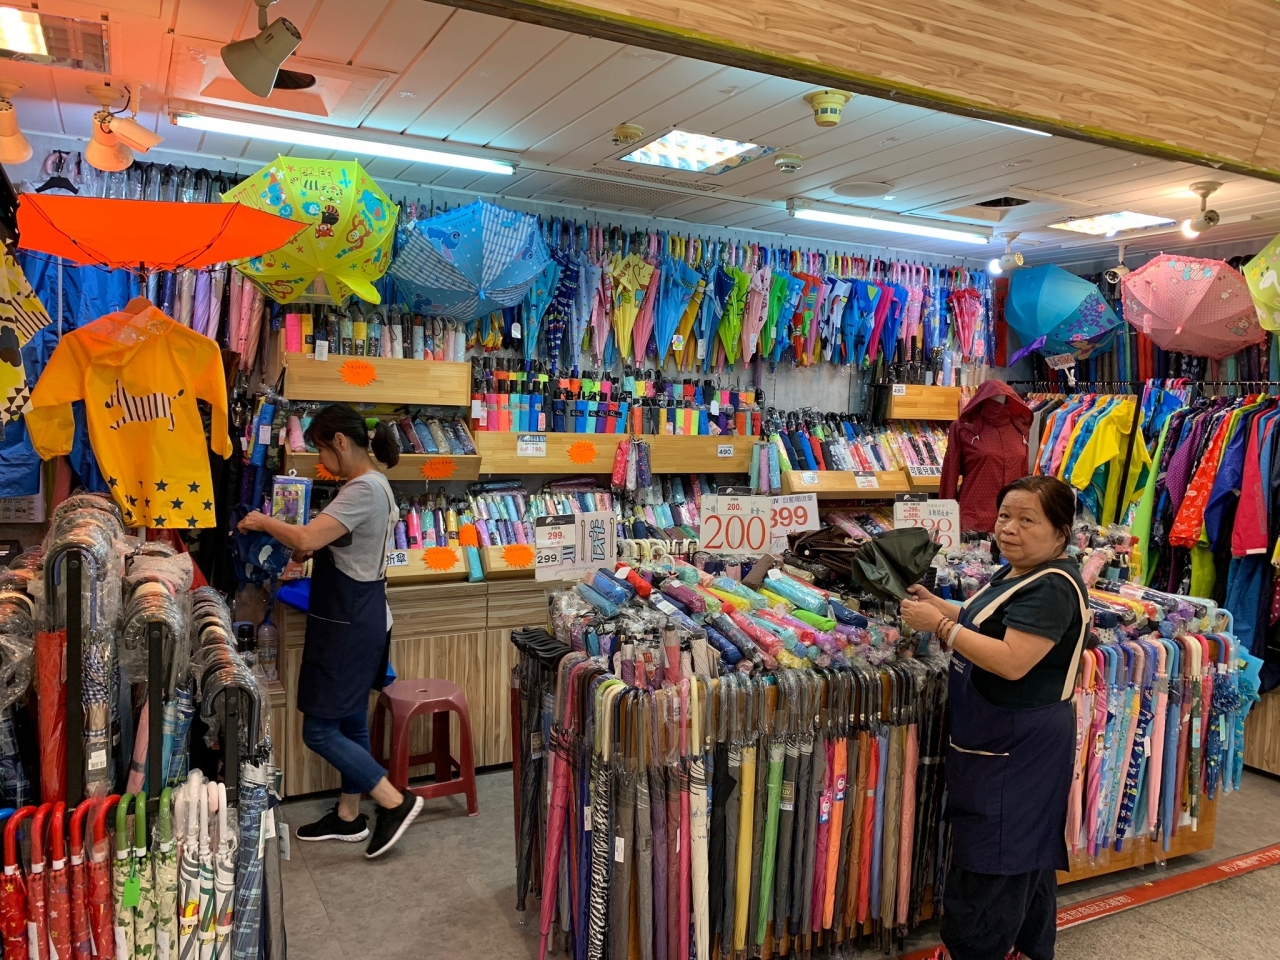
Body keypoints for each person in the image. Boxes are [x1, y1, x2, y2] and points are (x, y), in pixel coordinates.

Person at [899, 476, 1088, 960]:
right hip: (998, 737)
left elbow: (1011, 660)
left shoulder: (1052, 587)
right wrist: (938, 605)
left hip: (1019, 744)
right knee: (1023, 856)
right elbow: (982, 620)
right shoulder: (1019, 572)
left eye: (1027, 520)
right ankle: (1027, 948)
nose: (1009, 528)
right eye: (1005, 516)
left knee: (995, 857)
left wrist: (940, 627)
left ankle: (977, 951)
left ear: (1061, 532)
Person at [237, 403, 424, 859]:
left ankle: (393, 801)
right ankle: (348, 814)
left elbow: (305, 537)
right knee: (352, 720)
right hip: (357, 616)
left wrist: (262, 521)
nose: (321, 461)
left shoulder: (363, 489)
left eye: (322, 449)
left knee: (319, 730)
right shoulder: (373, 486)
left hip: (348, 622)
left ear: (341, 441)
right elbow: (336, 543)